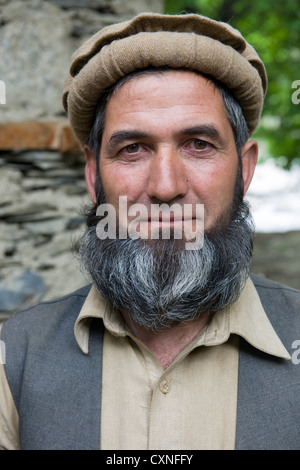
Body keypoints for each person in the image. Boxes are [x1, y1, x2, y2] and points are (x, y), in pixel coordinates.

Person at [0, 12, 299, 451]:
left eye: (199, 145)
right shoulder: (14, 361)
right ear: (92, 173)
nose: (165, 188)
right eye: (132, 149)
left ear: (245, 168)